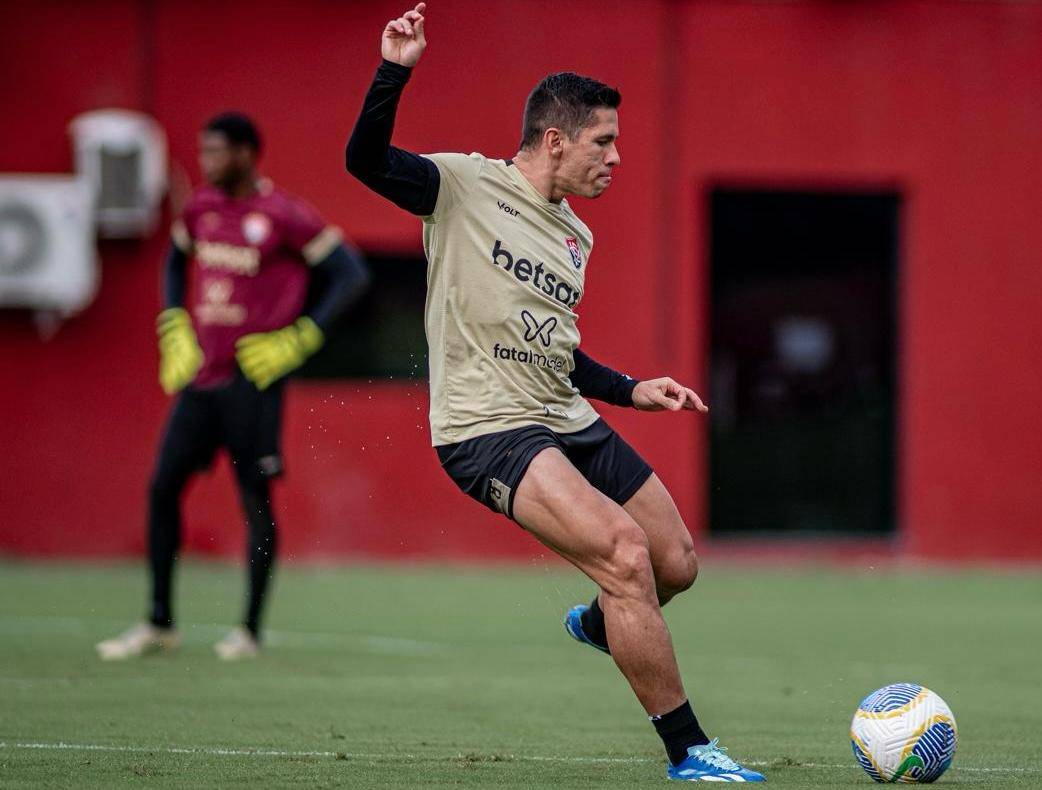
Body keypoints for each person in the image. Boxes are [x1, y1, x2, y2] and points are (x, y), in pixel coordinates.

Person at [345, 4, 764, 783]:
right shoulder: (464, 186)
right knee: (624, 556)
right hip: (487, 427)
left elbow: (557, 352)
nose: (616, 158)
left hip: (562, 415)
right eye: (604, 142)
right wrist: (394, 69)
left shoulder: (577, 235)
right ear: (555, 140)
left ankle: (602, 625)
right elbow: (364, 161)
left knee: (676, 561)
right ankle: (690, 751)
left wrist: (634, 389)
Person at [97, 112, 369, 661]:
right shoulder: (200, 207)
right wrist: (174, 322)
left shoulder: (283, 215)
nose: (207, 163)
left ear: (247, 153)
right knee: (162, 488)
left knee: (255, 500)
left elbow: (351, 274)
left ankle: (248, 631)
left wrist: (302, 335)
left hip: (253, 383)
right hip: (200, 379)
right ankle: (158, 622)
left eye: (217, 152)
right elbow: (176, 259)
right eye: (203, 153)